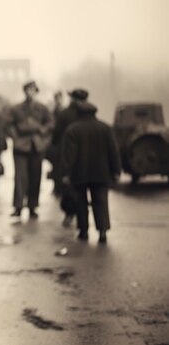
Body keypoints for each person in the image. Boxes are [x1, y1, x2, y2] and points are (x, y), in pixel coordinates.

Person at [61, 101, 121, 243]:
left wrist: (66, 174)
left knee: (80, 202)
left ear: (79, 114)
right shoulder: (105, 128)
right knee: (101, 201)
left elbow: (69, 155)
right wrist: (116, 170)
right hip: (101, 173)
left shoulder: (73, 130)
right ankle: (102, 232)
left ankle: (84, 231)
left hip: (79, 173)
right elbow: (113, 151)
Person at [8, 80, 53, 218]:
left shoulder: (43, 108)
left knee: (35, 177)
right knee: (20, 178)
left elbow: (51, 124)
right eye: (28, 89)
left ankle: (33, 206)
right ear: (24, 91)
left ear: (36, 91)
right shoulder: (16, 108)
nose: (30, 92)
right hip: (21, 146)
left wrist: (43, 136)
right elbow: (9, 125)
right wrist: (16, 138)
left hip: (36, 146)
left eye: (32, 90)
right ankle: (18, 206)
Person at [50, 88, 89, 226]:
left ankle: (69, 213)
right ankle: (83, 218)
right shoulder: (88, 114)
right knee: (83, 186)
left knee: (68, 186)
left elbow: (56, 135)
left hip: (66, 154)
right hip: (84, 155)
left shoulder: (64, 114)